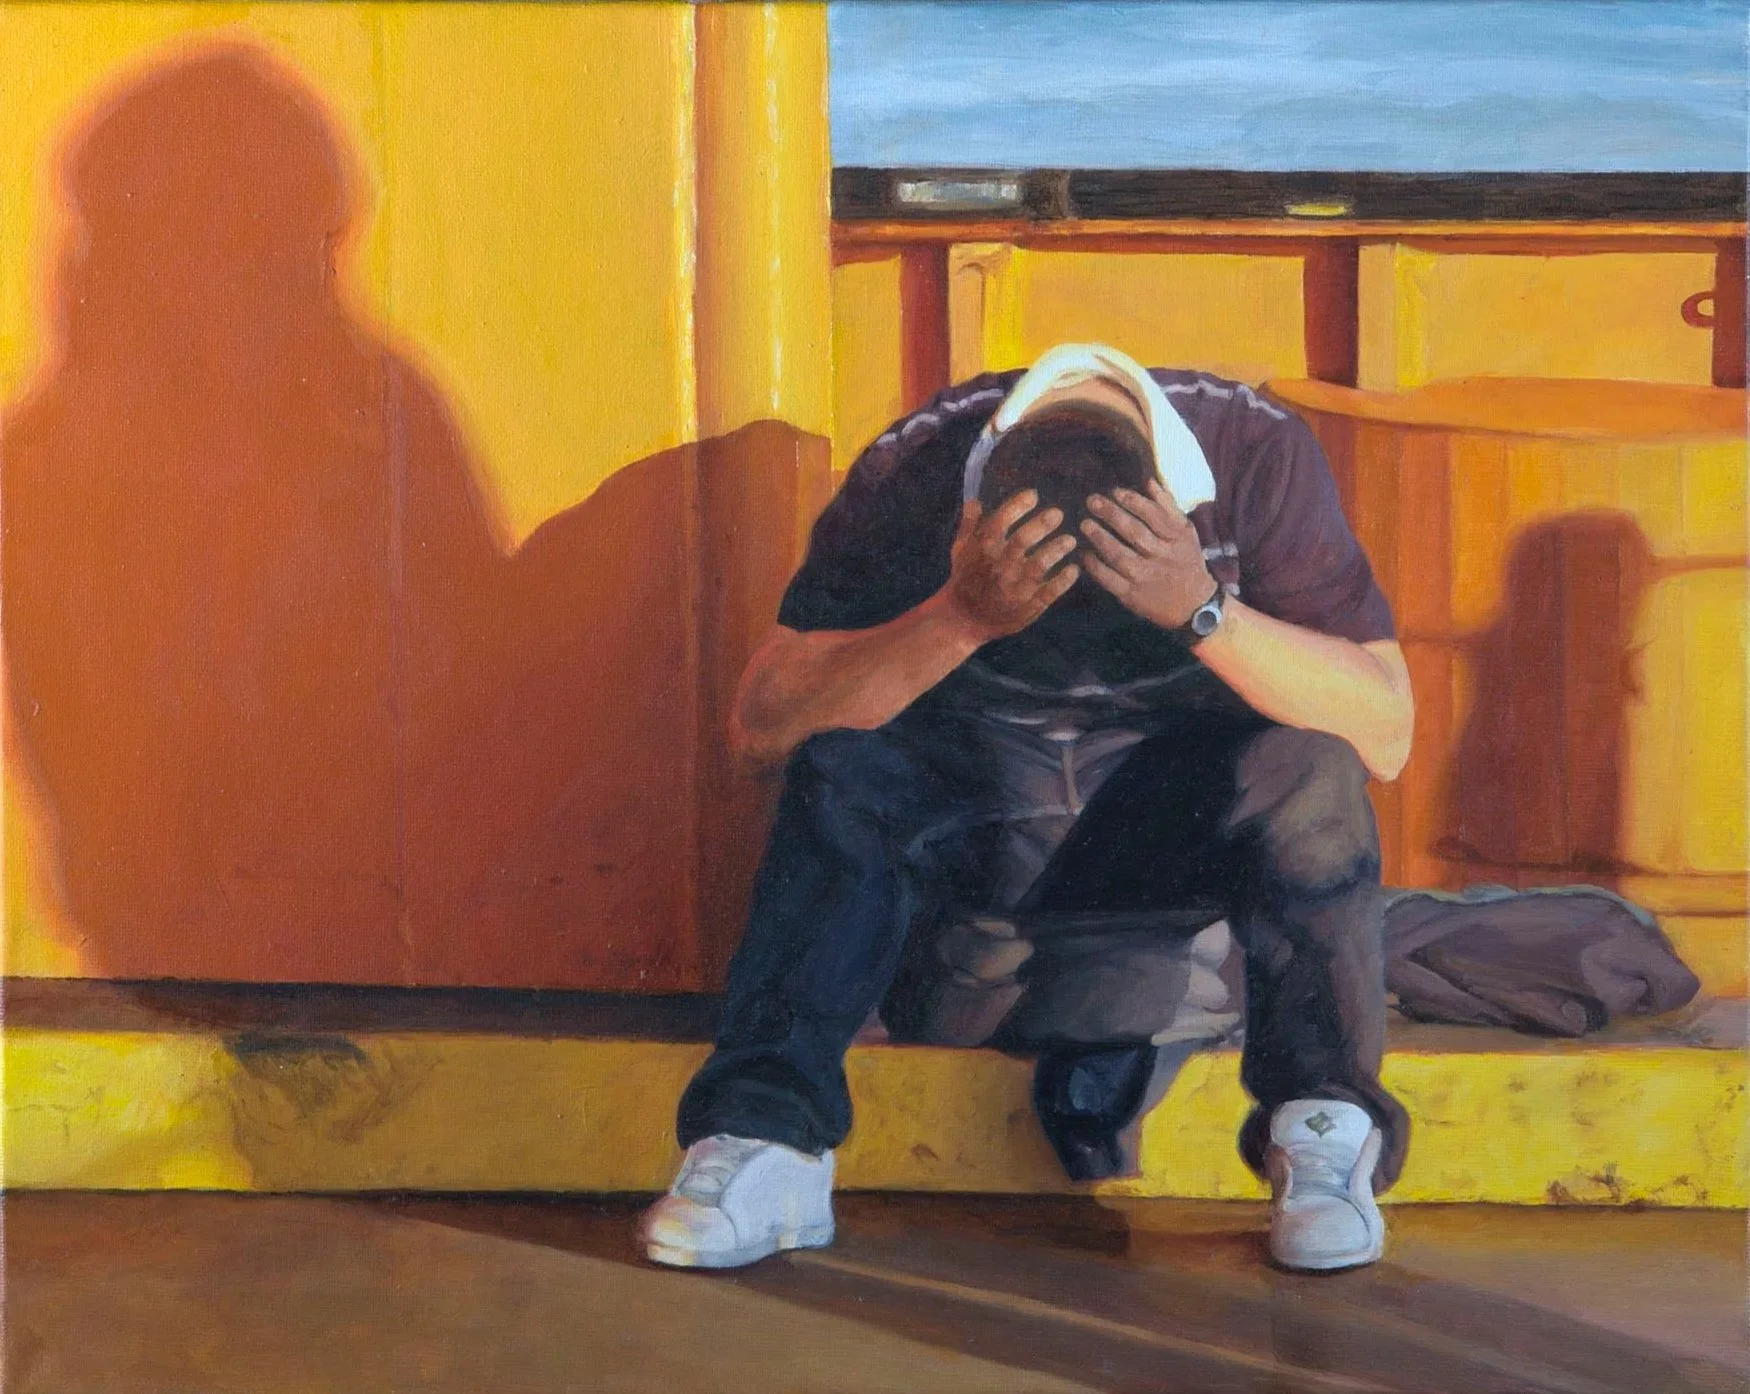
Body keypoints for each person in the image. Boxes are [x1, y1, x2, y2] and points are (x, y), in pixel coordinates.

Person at [639, 344, 1416, 1273]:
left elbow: (1384, 730)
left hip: (1172, 826)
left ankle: (1321, 1126)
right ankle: (765, 1136)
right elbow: (763, 726)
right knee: (843, 766)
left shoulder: (1254, 450)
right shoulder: (917, 462)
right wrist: (961, 616)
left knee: (1315, 771)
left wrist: (1201, 610)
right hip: (982, 826)